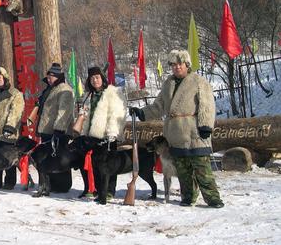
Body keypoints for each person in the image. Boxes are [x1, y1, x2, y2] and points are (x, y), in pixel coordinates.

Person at [130, 49, 224, 208]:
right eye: (173, 65)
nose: (176, 67)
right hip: (174, 134)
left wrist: (205, 124)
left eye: (179, 64)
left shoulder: (198, 81)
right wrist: (142, 112)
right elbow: (159, 106)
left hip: (194, 131)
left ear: (187, 65)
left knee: (202, 169)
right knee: (183, 170)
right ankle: (187, 197)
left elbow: (207, 105)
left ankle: (213, 198)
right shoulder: (168, 84)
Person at [74, 65, 127, 199]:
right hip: (92, 137)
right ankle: (98, 189)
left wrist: (113, 132)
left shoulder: (112, 92)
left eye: (97, 77)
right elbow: (86, 115)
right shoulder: (89, 95)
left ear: (102, 79)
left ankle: (109, 191)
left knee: (109, 166)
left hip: (107, 136)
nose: (95, 80)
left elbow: (117, 113)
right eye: (92, 78)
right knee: (95, 165)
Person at [31, 62, 75, 197]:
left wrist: (59, 129)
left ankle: (62, 185)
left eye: (52, 76)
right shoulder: (49, 89)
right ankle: (50, 185)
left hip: (58, 131)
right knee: (48, 159)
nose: (49, 78)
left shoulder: (64, 89)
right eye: (48, 76)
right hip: (47, 130)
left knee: (60, 158)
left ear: (58, 77)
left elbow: (64, 110)